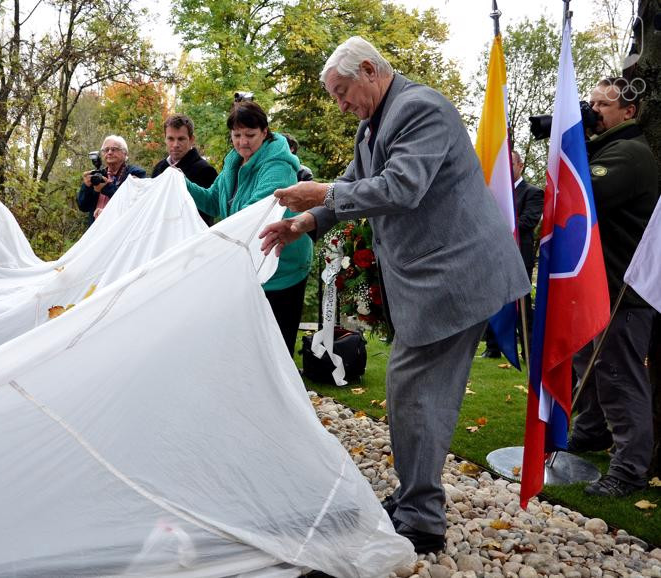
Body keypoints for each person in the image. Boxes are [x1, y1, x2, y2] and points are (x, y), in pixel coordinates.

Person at [258, 36, 529, 553]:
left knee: (415, 391)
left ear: (369, 69)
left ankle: (422, 519)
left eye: (342, 92)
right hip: (434, 281)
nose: (341, 105)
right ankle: (414, 504)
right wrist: (307, 221)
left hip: (457, 278)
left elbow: (401, 187)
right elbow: (356, 185)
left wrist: (323, 194)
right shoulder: (373, 125)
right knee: (415, 393)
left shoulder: (420, 108)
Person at [567, 77, 659, 497]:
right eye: (592, 104)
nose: (595, 111)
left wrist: (573, 142)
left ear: (629, 111)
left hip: (624, 289)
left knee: (620, 376)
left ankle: (629, 470)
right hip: (598, 286)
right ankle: (589, 434)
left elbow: (585, 193)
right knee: (589, 365)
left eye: (604, 105)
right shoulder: (604, 148)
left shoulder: (630, 153)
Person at [185, 100, 312, 355]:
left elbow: (256, 212)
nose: (243, 142)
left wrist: (209, 244)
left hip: (282, 266)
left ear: (265, 133)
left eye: (250, 135)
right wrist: (180, 183)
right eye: (237, 135)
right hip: (251, 263)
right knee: (249, 347)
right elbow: (212, 201)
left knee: (276, 351)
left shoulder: (277, 165)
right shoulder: (234, 163)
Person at [480, 150, 544, 359]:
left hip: (518, 257)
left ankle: (528, 350)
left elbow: (528, 221)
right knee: (493, 301)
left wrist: (499, 229)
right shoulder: (496, 194)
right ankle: (493, 348)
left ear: (521, 165)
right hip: (494, 255)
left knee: (521, 305)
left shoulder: (532, 192)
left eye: (511, 164)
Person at [151, 114, 218, 226]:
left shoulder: (206, 171)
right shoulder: (159, 168)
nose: (175, 145)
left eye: (181, 139)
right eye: (170, 139)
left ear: (191, 139)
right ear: (165, 139)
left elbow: (206, 215)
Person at [77, 135, 146, 226]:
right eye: (106, 150)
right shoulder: (98, 175)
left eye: (114, 149)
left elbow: (134, 203)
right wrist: (86, 186)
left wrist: (106, 187)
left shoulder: (135, 173)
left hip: (121, 229)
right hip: (96, 230)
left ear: (125, 153)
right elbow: (83, 206)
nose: (109, 152)